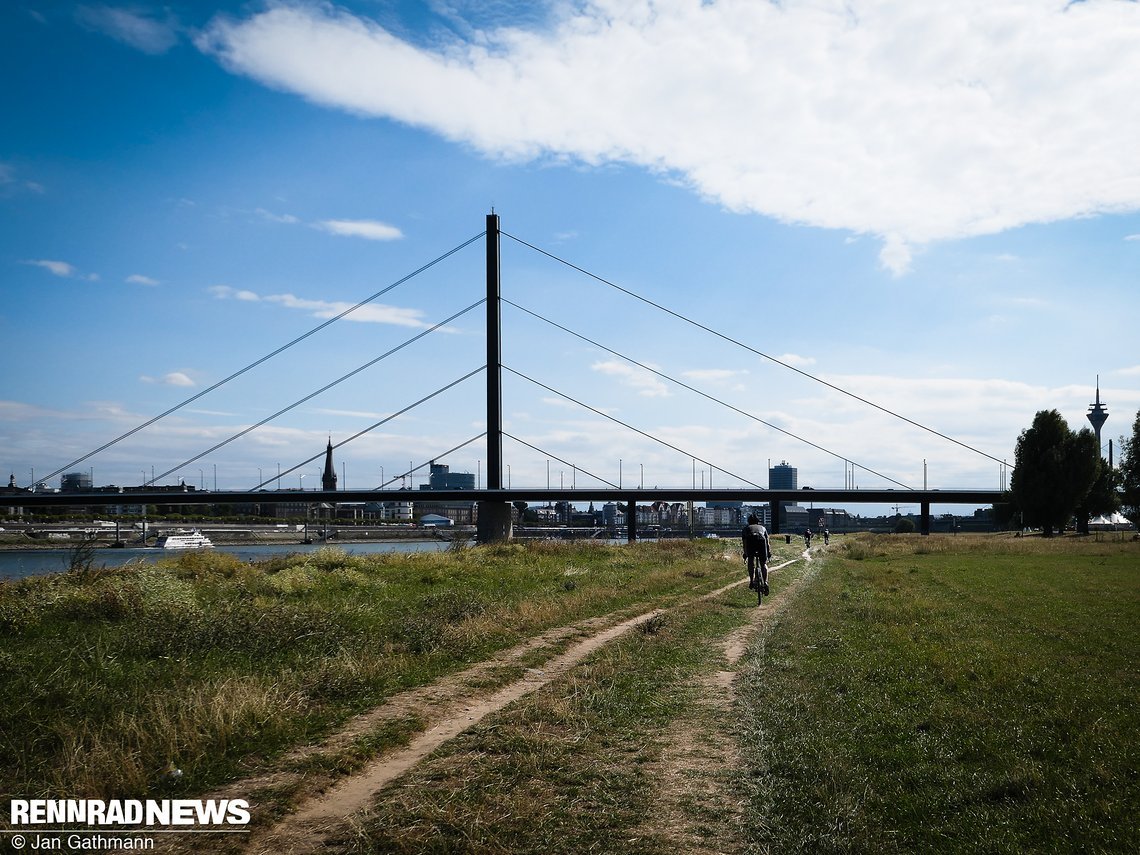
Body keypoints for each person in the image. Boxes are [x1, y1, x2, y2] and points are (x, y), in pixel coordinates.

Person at [741, 513, 771, 596]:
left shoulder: (746, 528)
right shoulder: (763, 528)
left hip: (751, 541)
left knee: (751, 561)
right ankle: (765, 583)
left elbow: (745, 543)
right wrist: (768, 553)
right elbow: (767, 543)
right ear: (758, 521)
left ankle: (751, 581)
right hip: (761, 541)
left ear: (749, 521)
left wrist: (746, 554)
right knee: (763, 563)